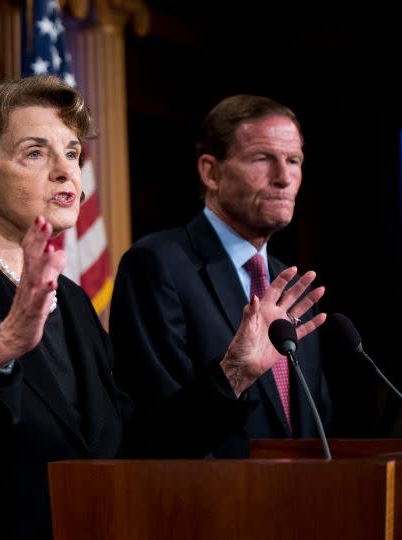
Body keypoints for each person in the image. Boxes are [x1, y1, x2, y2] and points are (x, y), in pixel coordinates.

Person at [0, 78, 324, 540]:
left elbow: (130, 444)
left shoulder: (73, 301)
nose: (66, 172)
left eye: (73, 153)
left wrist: (233, 374)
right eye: (36, 153)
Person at [110, 94, 331, 458]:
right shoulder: (156, 265)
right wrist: (234, 375)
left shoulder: (289, 286)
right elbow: (154, 426)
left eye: (294, 160)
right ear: (211, 172)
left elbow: (315, 421)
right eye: (263, 159)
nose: (284, 177)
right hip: (212, 504)